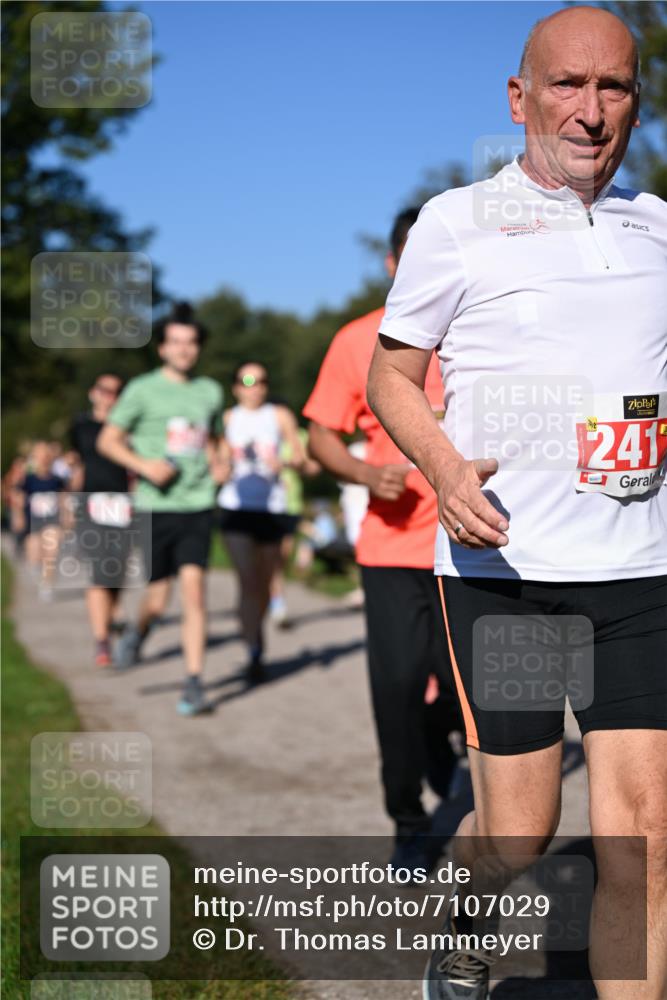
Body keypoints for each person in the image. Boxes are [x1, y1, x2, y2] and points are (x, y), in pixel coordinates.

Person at [367, 8, 666, 999]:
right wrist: (445, 471)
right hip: (510, 576)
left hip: (638, 575)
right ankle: (463, 923)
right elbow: (392, 378)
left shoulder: (657, 226)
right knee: (517, 828)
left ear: (636, 98)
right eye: (567, 86)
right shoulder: (457, 223)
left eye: (613, 87)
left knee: (645, 839)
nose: (590, 111)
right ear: (519, 98)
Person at [304, 208, 462, 876]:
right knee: (397, 685)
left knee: (464, 690)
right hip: (392, 550)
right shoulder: (357, 341)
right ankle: (407, 821)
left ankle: (439, 744)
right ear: (395, 265)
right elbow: (320, 436)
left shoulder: (477, 334)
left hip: (471, 545)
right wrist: (369, 474)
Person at [97, 302, 224, 715]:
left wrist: (222, 463)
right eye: (175, 343)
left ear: (198, 348)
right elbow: (108, 441)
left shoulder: (210, 392)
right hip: (156, 507)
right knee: (157, 597)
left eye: (190, 344)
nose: (184, 350)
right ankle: (137, 631)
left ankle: (193, 683)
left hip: (198, 503)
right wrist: (144, 466)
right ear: (163, 348)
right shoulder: (141, 390)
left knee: (194, 593)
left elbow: (214, 440)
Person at [217, 361, 306, 682]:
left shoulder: (278, 416)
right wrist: (220, 469)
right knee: (247, 580)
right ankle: (253, 647)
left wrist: (282, 461)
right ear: (235, 386)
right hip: (235, 508)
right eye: (246, 380)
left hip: (272, 508)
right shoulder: (228, 418)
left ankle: (255, 635)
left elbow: (300, 457)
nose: (253, 387)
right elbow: (216, 458)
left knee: (266, 583)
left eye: (259, 381)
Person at [69, 373, 130, 668]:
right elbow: (78, 464)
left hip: (123, 505)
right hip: (91, 503)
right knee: (97, 570)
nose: (110, 396)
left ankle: (111, 617)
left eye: (116, 392)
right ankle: (101, 640)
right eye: (105, 390)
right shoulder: (81, 425)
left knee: (115, 573)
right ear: (94, 392)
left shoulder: (127, 427)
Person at [269, 426, 320, 627]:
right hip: (256, 507)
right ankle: (263, 600)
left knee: (279, 558)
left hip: (288, 505)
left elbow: (314, 468)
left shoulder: (299, 436)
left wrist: (292, 465)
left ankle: (277, 603)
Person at [13, 440, 67, 600]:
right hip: (33, 523)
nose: (43, 459)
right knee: (35, 558)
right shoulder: (28, 480)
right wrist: (19, 516)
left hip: (52, 521)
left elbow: (63, 499)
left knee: (51, 552)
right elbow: (18, 498)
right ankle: (39, 572)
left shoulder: (57, 480)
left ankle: (47, 585)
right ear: (35, 458)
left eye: (46, 455)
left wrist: (66, 518)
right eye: (40, 455)